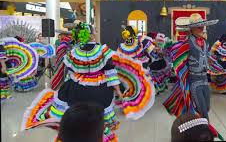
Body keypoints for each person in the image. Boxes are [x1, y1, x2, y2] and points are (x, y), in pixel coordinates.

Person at [22, 22, 155, 141]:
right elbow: (110, 72)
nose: (96, 33)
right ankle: (96, 135)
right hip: (100, 92)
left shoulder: (73, 52)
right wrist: (119, 91)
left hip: (76, 90)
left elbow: (70, 74)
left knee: (77, 116)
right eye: (95, 31)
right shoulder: (102, 50)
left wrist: (66, 88)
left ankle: (78, 134)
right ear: (91, 35)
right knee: (99, 119)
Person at [163, 13, 219, 120]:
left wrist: (211, 62)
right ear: (192, 29)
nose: (202, 28)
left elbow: (206, 56)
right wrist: (182, 74)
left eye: (203, 26)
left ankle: (196, 126)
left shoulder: (205, 42)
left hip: (205, 80)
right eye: (199, 26)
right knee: (202, 110)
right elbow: (177, 59)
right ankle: (205, 132)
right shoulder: (187, 43)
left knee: (206, 107)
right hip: (194, 81)